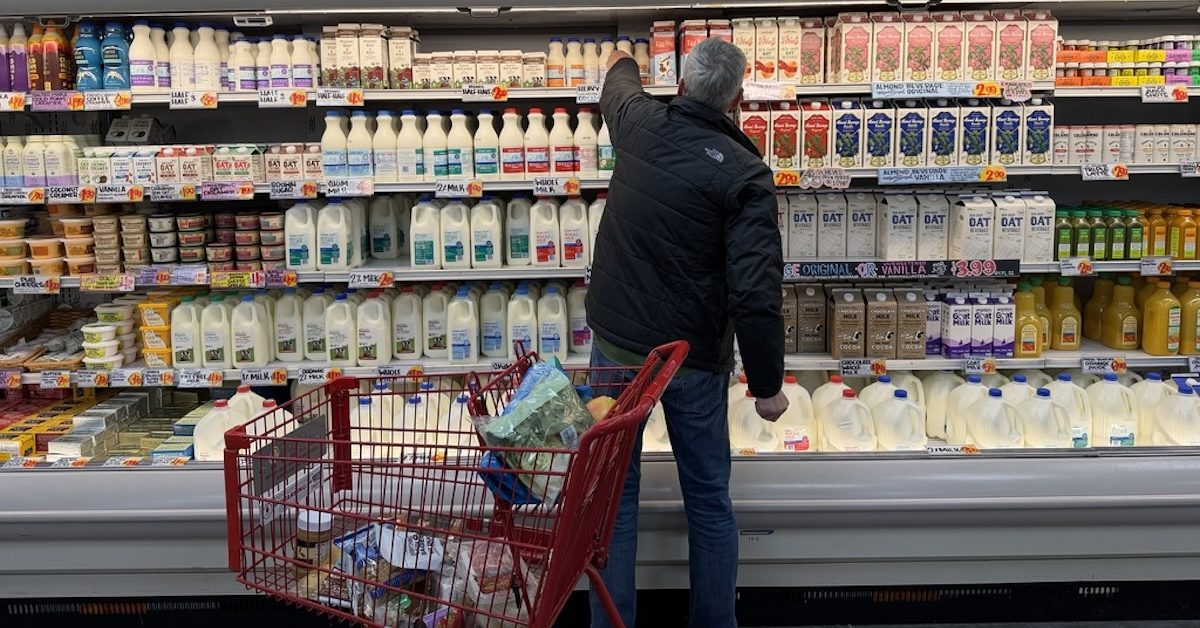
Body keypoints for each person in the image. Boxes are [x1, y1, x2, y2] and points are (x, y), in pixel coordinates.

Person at [586, 37, 787, 628]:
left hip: (618, 346)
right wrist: (767, 385)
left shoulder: (639, 120)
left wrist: (623, 58)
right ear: (738, 100)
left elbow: (615, 87)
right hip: (692, 361)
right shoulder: (748, 175)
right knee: (707, 497)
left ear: (678, 85)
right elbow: (754, 291)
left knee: (613, 499)